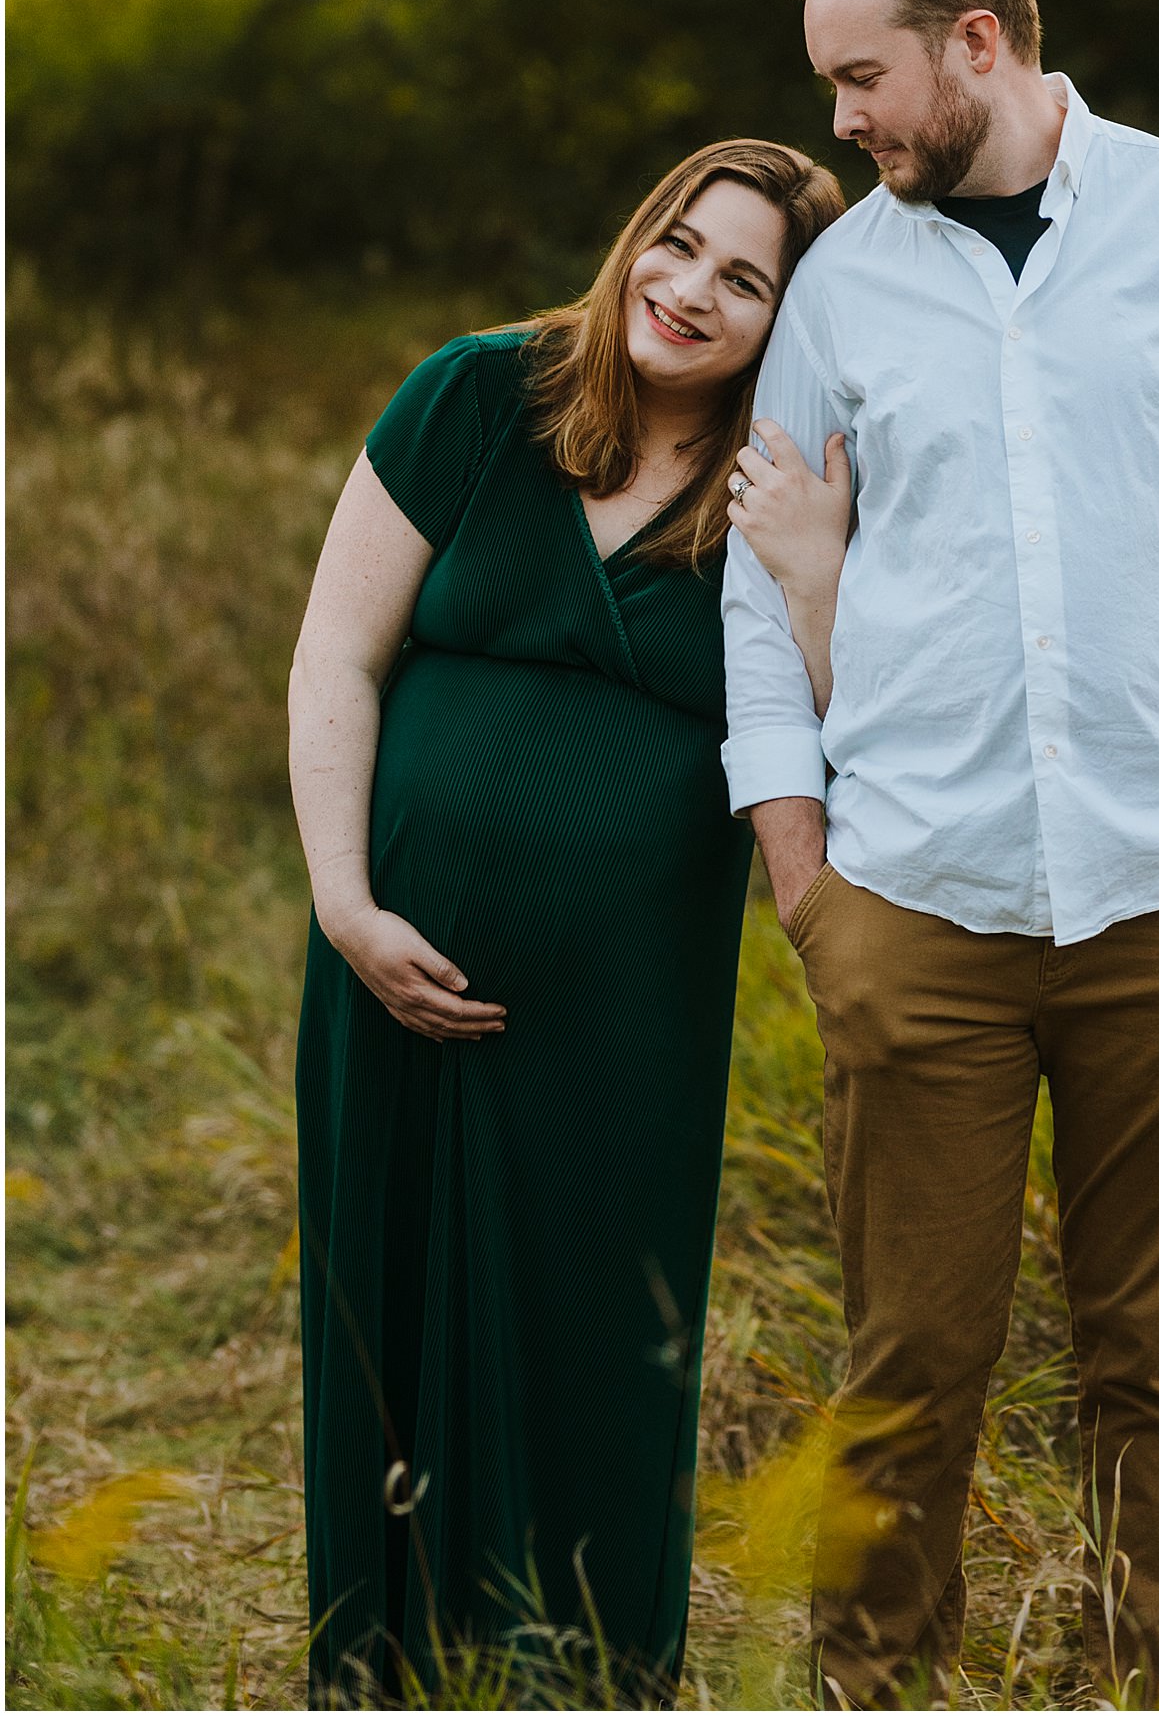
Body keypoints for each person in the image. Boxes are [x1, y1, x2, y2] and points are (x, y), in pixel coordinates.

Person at [721, 0, 1159, 1712]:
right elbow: (766, 599)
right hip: (916, 906)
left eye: (863, 78)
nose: (841, 121)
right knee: (908, 1363)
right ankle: (874, 1695)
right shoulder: (847, 283)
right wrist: (806, 880)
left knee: (1156, 1359)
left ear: (977, 44)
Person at [289, 139, 844, 1706]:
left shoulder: (787, 485)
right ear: (635, 239)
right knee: (381, 1324)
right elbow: (335, 655)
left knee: (594, 1338)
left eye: (745, 280)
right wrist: (346, 905)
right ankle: (381, 1674)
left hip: (622, 1014)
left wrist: (814, 575)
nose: (689, 291)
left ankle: (581, 1683)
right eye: (679, 245)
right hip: (381, 965)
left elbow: (859, 741)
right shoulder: (478, 395)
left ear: (787, 323)